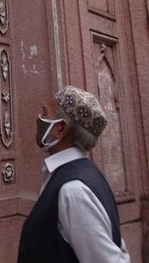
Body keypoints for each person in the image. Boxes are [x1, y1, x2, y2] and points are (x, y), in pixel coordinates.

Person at [18, 85, 130, 263]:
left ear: (60, 129)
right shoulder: (81, 174)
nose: (39, 118)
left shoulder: (74, 190)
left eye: (44, 112)